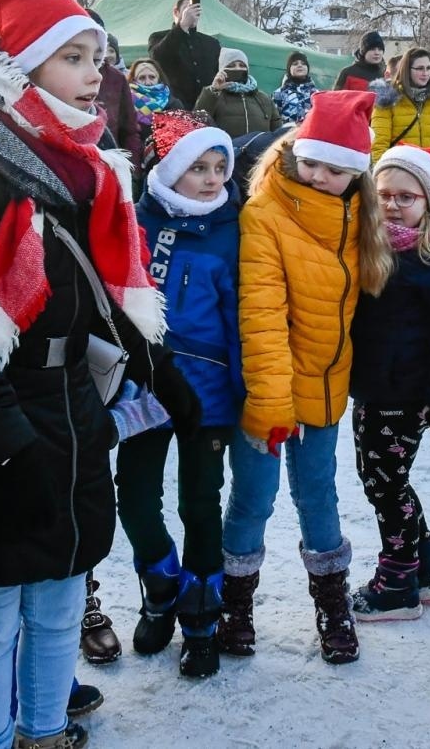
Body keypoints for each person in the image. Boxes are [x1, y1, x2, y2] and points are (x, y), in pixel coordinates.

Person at [0, 0, 193, 749]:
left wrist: (160, 369)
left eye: (95, 58)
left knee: (61, 598)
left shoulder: (85, 162)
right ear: (20, 68)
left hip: (70, 406)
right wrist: (3, 440)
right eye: (72, 58)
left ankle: (43, 732)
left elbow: (104, 292)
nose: (93, 74)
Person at [219, 90, 393, 665]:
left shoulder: (359, 218)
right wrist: (270, 404)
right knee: (253, 500)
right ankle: (235, 605)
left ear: (357, 174)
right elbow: (261, 315)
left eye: (335, 170)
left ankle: (332, 606)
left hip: (325, 386)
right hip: (267, 391)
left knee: (319, 495)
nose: (319, 177)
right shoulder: (264, 213)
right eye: (311, 162)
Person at [123, 110, 244, 679]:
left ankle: (201, 618)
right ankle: (160, 584)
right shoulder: (136, 220)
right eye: (199, 168)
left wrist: (247, 391)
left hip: (210, 392)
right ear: (172, 170)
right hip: (144, 387)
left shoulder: (233, 229)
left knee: (200, 503)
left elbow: (242, 316)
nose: (212, 178)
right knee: (135, 498)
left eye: (220, 167)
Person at [347, 145, 430, 621]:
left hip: (402, 393)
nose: (393, 205)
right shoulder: (368, 246)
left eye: (406, 197)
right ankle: (427, 571)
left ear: (429, 203)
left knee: (386, 486)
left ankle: (398, 583)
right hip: (373, 386)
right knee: (384, 479)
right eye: (384, 195)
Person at [370, 47, 430, 191]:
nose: (425, 73)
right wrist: (385, 182)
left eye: (428, 68)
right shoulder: (388, 101)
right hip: (399, 178)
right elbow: (379, 147)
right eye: (420, 68)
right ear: (407, 70)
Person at [148, 0, 220, 109]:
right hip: (174, 107)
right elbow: (157, 58)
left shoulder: (211, 43)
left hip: (206, 109)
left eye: (195, 9)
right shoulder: (158, 37)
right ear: (176, 12)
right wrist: (182, 26)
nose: (192, 13)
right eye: (187, 9)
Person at [90, 14, 144, 169]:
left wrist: (131, 170)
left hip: (111, 167)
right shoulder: (56, 76)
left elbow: (130, 131)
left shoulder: (116, 78)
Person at [194, 48, 280, 140]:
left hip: (261, 148)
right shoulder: (213, 94)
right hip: (227, 148)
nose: (237, 68)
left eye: (242, 65)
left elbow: (278, 131)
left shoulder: (263, 98)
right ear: (221, 69)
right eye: (231, 65)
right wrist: (214, 90)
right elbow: (197, 121)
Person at [128, 57, 181, 139]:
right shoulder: (126, 104)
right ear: (134, 80)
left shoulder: (174, 104)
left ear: (159, 79)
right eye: (142, 78)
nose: (148, 82)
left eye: (152, 77)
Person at [271, 49, 319, 125]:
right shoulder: (279, 94)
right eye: (295, 64)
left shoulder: (316, 94)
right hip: (288, 132)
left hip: (310, 131)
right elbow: (274, 121)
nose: (300, 65)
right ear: (289, 69)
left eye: (303, 64)